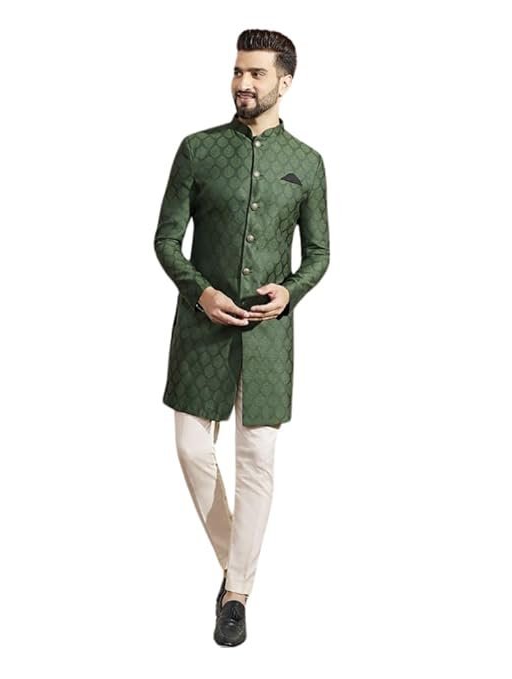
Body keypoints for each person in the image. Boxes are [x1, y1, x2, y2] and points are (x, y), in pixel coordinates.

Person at [153, 28, 330, 646]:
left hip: (268, 338)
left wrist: (292, 291)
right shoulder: (198, 150)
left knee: (257, 463)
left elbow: (319, 252)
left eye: (256, 73)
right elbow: (166, 240)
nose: (243, 83)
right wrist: (200, 291)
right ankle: (239, 564)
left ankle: (236, 596)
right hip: (201, 328)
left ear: (285, 81)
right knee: (190, 449)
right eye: (237, 71)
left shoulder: (307, 163)